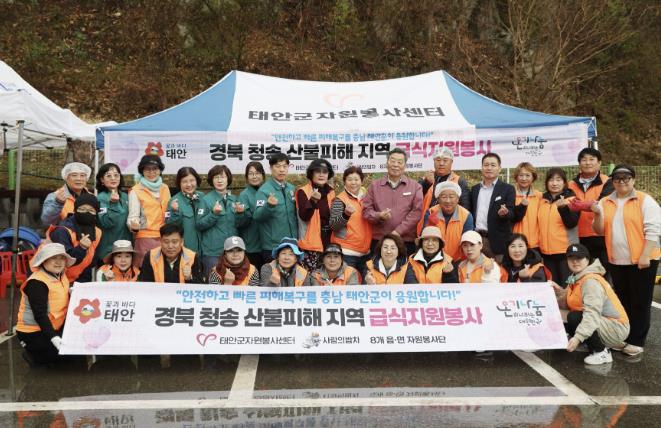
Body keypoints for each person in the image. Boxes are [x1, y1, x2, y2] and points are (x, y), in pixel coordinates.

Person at [591, 164, 660, 356]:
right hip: (617, 260)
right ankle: (624, 335)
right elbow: (599, 230)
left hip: (643, 260)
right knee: (623, 301)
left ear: (633, 180)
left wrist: (645, 255)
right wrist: (597, 214)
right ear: (612, 181)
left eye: (626, 178)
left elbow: (653, 230)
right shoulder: (605, 201)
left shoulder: (645, 200)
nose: (622, 182)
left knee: (640, 301)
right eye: (617, 178)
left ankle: (637, 340)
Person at [555, 244, 629, 365]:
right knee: (561, 314)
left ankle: (601, 352)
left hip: (615, 327)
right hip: (602, 321)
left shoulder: (590, 281)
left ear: (587, 259)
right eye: (571, 258)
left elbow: (592, 314)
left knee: (575, 317)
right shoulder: (574, 277)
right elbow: (569, 300)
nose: (575, 261)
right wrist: (558, 291)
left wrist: (578, 337)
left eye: (579, 258)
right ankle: (588, 342)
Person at [16, 243, 76, 365]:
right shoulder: (37, 283)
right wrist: (53, 337)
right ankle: (32, 355)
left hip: (54, 326)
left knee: (77, 348)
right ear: (44, 261)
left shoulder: (61, 275)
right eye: (53, 258)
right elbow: (40, 315)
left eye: (61, 258)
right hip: (32, 332)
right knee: (66, 356)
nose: (58, 262)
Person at [363, 148, 423, 256]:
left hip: (405, 241)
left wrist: (398, 232)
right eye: (392, 161)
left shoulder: (415, 186)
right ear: (387, 163)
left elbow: (417, 212)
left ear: (405, 165)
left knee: (405, 267)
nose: (395, 165)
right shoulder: (374, 186)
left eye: (400, 162)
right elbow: (366, 211)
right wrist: (378, 216)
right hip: (379, 240)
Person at [567, 147, 613, 269]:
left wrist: (579, 205)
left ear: (599, 163)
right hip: (579, 236)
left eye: (592, 159)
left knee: (605, 272)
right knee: (582, 271)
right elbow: (569, 207)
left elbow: (602, 204)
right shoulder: (570, 185)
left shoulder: (608, 181)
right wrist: (589, 204)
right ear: (579, 163)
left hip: (602, 234)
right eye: (584, 160)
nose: (588, 163)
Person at [199, 165, 245, 277]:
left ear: (228, 179)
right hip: (213, 253)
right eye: (216, 177)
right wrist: (214, 214)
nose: (219, 180)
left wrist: (240, 214)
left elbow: (240, 225)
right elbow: (199, 225)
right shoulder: (205, 200)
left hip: (232, 252)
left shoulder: (234, 199)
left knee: (233, 283)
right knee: (214, 283)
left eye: (222, 177)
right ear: (211, 180)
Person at [468, 153, 515, 261]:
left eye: (493, 165)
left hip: (498, 241)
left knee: (499, 270)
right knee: (477, 270)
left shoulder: (507, 189)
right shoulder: (475, 189)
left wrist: (505, 213)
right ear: (482, 168)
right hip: (477, 240)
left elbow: (512, 213)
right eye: (486, 165)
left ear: (499, 168)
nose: (489, 168)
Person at [45, 193, 102, 283]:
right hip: (56, 278)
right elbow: (64, 261)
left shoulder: (97, 231)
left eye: (91, 210)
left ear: (96, 213)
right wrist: (82, 248)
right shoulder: (62, 230)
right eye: (82, 209)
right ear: (75, 210)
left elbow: (93, 260)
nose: (86, 213)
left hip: (82, 277)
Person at [253, 153, 298, 263]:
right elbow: (257, 216)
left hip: (292, 244)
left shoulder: (291, 188)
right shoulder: (264, 190)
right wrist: (268, 206)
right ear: (271, 168)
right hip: (273, 246)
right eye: (278, 166)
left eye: (284, 166)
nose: (281, 170)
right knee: (273, 274)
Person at [537, 167, 579, 284]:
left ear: (564, 182)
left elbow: (571, 223)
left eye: (558, 180)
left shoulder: (572, 200)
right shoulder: (542, 201)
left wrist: (563, 208)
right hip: (546, 254)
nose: (554, 183)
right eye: (551, 180)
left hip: (566, 253)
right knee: (552, 287)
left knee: (568, 285)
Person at [127, 155, 171, 268]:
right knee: (146, 272)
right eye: (147, 169)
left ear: (160, 170)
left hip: (166, 237)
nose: (151, 172)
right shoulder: (135, 191)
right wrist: (133, 225)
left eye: (155, 168)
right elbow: (132, 217)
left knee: (164, 272)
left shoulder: (165, 188)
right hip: (145, 238)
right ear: (142, 171)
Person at [330, 166, 372, 276]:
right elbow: (333, 225)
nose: (353, 182)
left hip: (365, 253)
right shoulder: (340, 200)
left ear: (361, 181)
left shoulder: (366, 199)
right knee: (347, 283)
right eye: (349, 179)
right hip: (346, 253)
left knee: (367, 283)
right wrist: (346, 214)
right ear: (344, 181)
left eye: (356, 179)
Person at [417, 146, 470, 233]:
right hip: (426, 226)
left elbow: (465, 207)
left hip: (450, 227)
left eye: (445, 160)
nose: (441, 163)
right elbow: (415, 200)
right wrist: (426, 183)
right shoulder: (425, 179)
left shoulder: (459, 181)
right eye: (438, 160)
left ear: (451, 162)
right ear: (434, 161)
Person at [296, 159, 336, 271]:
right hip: (311, 244)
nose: (321, 175)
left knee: (327, 275)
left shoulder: (331, 192)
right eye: (318, 171)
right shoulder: (303, 191)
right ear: (311, 173)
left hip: (329, 241)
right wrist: (313, 201)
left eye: (325, 172)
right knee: (310, 277)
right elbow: (304, 216)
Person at [420, 181, 473, 261]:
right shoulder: (431, 212)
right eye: (444, 197)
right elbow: (426, 239)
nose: (448, 201)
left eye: (451, 197)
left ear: (458, 199)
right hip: (434, 259)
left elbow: (467, 242)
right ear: (438, 199)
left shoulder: (466, 216)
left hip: (458, 260)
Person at [138, 223, 203, 283]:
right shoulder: (150, 256)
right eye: (166, 242)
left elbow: (201, 286)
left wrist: (190, 278)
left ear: (182, 242)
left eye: (174, 242)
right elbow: (144, 284)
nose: (170, 246)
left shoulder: (192, 257)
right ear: (160, 241)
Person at [95, 163, 132, 264]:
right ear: (102, 180)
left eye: (116, 175)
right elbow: (106, 223)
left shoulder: (125, 196)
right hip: (108, 251)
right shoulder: (100, 198)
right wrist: (113, 204)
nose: (113, 178)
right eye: (108, 176)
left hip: (126, 248)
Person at [165, 167, 206, 257]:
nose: (189, 184)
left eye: (192, 180)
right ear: (179, 183)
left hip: (204, 250)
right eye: (184, 181)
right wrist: (175, 212)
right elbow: (169, 227)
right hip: (186, 251)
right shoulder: (174, 201)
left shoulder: (202, 197)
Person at [41, 162, 93, 226]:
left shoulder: (92, 197)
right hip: (64, 232)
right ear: (66, 178)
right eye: (74, 175)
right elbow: (46, 221)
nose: (79, 179)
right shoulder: (55, 196)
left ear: (87, 178)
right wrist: (58, 203)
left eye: (82, 175)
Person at [237, 161, 267, 269]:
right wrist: (242, 213)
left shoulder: (267, 192)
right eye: (251, 173)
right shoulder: (244, 195)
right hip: (252, 246)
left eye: (257, 173)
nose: (254, 176)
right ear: (246, 177)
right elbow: (241, 223)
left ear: (263, 175)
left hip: (267, 243)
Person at [511, 162, 543, 252]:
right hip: (515, 242)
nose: (524, 178)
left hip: (535, 243)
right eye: (521, 175)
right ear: (516, 177)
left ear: (533, 177)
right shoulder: (510, 194)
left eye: (527, 175)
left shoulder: (539, 196)